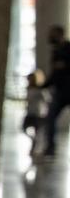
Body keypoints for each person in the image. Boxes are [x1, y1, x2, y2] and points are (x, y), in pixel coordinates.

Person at [45, 25, 70, 156]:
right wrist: (44, 85)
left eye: (53, 34)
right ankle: (50, 148)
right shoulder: (56, 51)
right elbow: (54, 73)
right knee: (50, 118)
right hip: (60, 91)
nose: (50, 37)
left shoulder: (67, 48)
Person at [23, 70, 48, 159]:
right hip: (30, 113)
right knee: (24, 128)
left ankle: (36, 149)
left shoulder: (39, 90)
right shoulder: (28, 88)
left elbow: (46, 99)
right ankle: (34, 142)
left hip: (38, 113)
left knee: (38, 132)